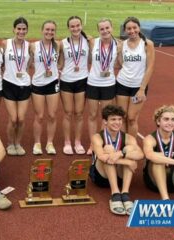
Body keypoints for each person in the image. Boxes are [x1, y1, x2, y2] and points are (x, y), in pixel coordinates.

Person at [90, 105, 143, 215]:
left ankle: (124, 193)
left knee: (130, 150)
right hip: (101, 176)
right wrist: (127, 161)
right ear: (105, 121)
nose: (117, 122)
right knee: (108, 150)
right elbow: (102, 157)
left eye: (119, 119)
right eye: (113, 119)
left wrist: (121, 153)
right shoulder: (97, 137)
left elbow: (140, 154)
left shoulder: (128, 137)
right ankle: (115, 194)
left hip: (120, 176)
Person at [142, 105, 174, 219]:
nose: (170, 123)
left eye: (173, 119)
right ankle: (166, 201)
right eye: (166, 119)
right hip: (154, 181)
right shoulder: (150, 138)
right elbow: (149, 155)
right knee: (158, 158)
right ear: (158, 121)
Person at [116, 16, 155, 138]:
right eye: (129, 28)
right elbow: (121, 65)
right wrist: (118, 52)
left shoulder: (147, 44)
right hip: (122, 84)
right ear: (125, 30)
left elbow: (150, 67)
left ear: (139, 28)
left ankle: (131, 144)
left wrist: (142, 89)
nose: (132, 31)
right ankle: (122, 144)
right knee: (122, 116)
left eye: (134, 27)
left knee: (132, 118)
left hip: (138, 87)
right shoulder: (123, 44)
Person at [58, 16, 91, 155]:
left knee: (79, 114)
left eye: (78, 25)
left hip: (82, 80)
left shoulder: (89, 41)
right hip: (66, 80)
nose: (75, 28)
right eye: (72, 26)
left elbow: (91, 59)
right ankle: (67, 142)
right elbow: (60, 63)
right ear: (68, 28)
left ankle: (77, 142)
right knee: (67, 113)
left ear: (81, 26)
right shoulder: (63, 43)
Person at [86, 19, 119, 155]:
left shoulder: (119, 44)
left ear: (112, 28)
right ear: (98, 31)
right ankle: (92, 144)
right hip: (93, 82)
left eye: (107, 28)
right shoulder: (93, 42)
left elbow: (120, 63)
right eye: (102, 29)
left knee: (105, 116)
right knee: (92, 115)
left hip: (109, 84)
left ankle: (102, 143)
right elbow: (88, 60)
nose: (105, 31)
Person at [2, 17, 33, 156]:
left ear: (27, 30)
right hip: (9, 84)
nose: (21, 31)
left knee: (21, 119)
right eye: (19, 29)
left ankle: (17, 143)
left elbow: (30, 64)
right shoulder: (5, 43)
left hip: (24, 85)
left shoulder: (30, 46)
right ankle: (10, 143)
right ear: (14, 29)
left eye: (24, 29)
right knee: (13, 118)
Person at [30, 20, 60, 155]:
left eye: (52, 30)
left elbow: (60, 62)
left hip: (53, 82)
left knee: (52, 115)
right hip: (37, 83)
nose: (49, 32)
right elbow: (28, 62)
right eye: (47, 29)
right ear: (42, 30)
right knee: (39, 116)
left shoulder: (58, 45)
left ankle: (49, 143)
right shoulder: (33, 46)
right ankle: (37, 143)